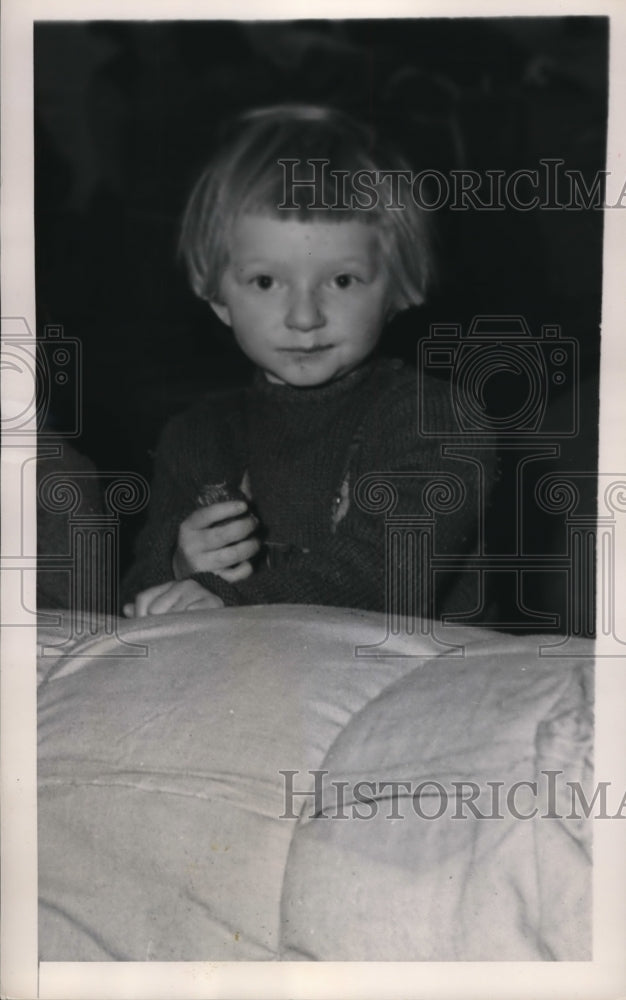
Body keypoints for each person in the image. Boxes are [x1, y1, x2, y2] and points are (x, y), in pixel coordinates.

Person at [122, 104, 494, 620]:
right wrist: (180, 571)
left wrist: (230, 598)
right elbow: (138, 593)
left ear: (401, 287)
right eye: (265, 282)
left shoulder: (440, 422)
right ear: (217, 296)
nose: (303, 317)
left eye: (342, 280)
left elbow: (389, 574)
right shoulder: (195, 437)